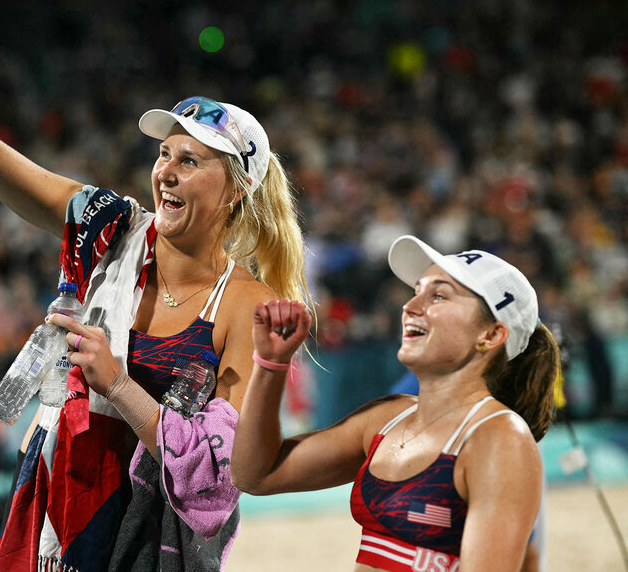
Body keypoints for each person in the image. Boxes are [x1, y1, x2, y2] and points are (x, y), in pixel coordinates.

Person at [0, 16, 310, 571]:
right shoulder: (106, 230)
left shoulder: (245, 305)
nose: (165, 172)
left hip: (149, 545)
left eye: (189, 161)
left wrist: (118, 383)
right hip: (55, 519)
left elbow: (216, 479)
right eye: (164, 154)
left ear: (237, 190)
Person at [232, 235, 560, 572]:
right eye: (417, 290)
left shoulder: (498, 438)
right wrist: (271, 364)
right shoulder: (387, 418)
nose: (410, 306)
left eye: (438, 295)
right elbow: (256, 475)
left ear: (490, 335)